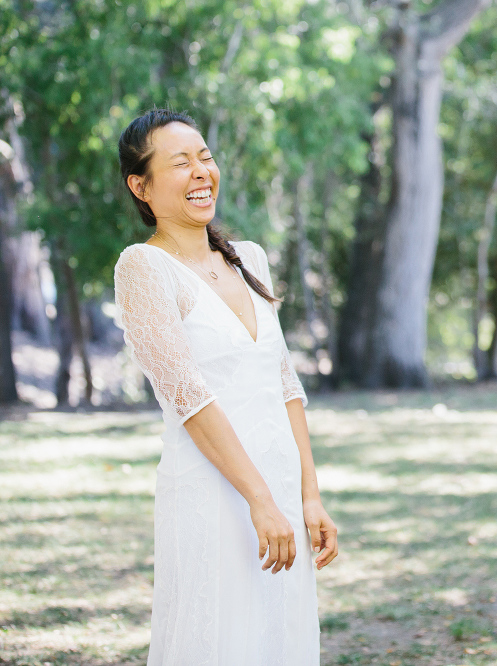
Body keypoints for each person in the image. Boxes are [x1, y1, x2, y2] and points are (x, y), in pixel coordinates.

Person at [113, 108, 337, 665]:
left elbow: (285, 384)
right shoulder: (143, 267)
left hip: (280, 488)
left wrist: (307, 495)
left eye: (205, 158)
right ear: (140, 186)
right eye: (180, 163)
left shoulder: (250, 258)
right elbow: (190, 399)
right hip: (212, 494)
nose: (201, 172)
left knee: (278, 639)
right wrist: (258, 500)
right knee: (217, 640)